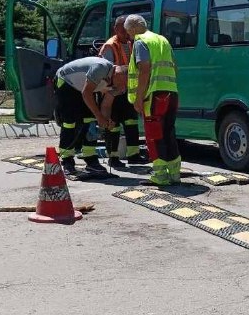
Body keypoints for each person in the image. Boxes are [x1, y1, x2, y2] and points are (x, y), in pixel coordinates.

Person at [124, 14, 181, 186]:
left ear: (133, 28)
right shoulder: (162, 39)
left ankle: (160, 176)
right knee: (169, 133)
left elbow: (144, 70)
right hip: (171, 92)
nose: (128, 36)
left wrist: (139, 98)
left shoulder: (141, 42)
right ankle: (174, 174)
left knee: (154, 135)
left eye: (128, 32)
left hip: (154, 95)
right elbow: (175, 67)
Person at [54, 56, 126, 176]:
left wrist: (106, 121)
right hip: (66, 82)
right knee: (70, 122)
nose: (122, 88)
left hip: (84, 87)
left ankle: (91, 159)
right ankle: (67, 160)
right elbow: (86, 94)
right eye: (122, 84)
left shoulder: (118, 82)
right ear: (117, 74)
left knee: (90, 120)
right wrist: (99, 117)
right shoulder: (100, 68)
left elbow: (106, 105)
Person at [98, 15, 148, 168]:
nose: (126, 33)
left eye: (127, 30)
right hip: (113, 91)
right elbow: (106, 71)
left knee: (131, 122)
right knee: (113, 124)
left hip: (126, 90)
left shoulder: (131, 43)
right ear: (116, 29)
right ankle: (113, 157)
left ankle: (133, 155)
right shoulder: (110, 46)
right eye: (123, 30)